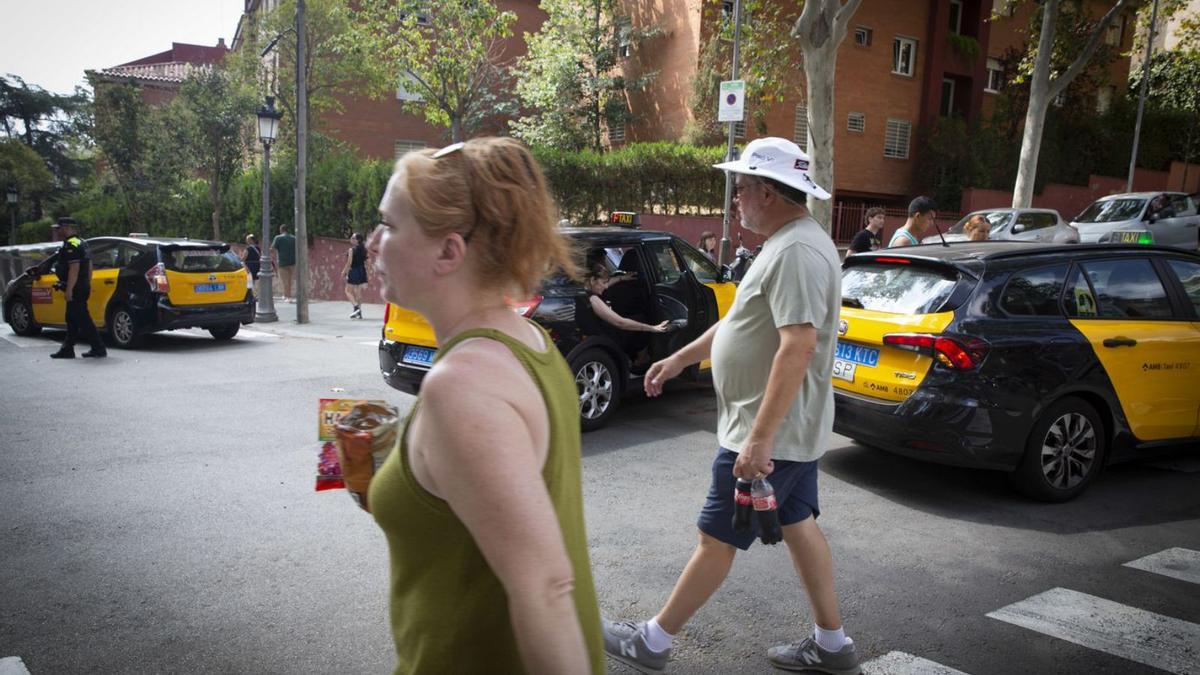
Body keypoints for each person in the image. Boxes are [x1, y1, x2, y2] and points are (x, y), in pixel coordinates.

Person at [600, 137, 858, 674]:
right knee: (799, 524)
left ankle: (653, 639)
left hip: (768, 433)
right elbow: (740, 322)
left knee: (716, 537)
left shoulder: (796, 252)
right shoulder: (788, 244)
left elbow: (798, 344)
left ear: (766, 191)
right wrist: (680, 360)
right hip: (785, 430)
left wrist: (759, 439)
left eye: (740, 190)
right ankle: (832, 646)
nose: (735, 201)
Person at [365, 137, 604, 674]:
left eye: (390, 224)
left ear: (449, 252)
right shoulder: (528, 341)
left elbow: (545, 587)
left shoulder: (462, 385)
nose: (374, 241)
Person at [583, 264, 669, 364]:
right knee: (641, 321)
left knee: (638, 319)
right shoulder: (592, 299)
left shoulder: (583, 290)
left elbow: (609, 282)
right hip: (607, 337)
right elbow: (620, 323)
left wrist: (622, 278)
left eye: (607, 282)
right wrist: (652, 328)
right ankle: (640, 361)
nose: (606, 286)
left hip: (598, 335)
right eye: (603, 283)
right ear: (593, 280)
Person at [50, 217, 106, 359]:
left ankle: (98, 348)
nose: (58, 230)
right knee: (71, 318)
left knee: (83, 318)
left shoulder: (70, 245)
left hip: (75, 287)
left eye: (60, 227)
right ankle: (68, 349)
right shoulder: (83, 242)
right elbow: (89, 265)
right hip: (82, 285)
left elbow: (74, 268)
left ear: (67, 227)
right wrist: (87, 282)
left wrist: (69, 290)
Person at [342, 232, 368, 319]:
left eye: (353, 238)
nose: (351, 239)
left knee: (348, 291)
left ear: (358, 240)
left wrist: (344, 271)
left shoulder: (351, 250)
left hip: (354, 271)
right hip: (362, 271)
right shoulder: (364, 249)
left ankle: (356, 307)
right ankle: (359, 313)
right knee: (358, 292)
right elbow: (366, 261)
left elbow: (349, 262)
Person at [271, 224, 296, 302]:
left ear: (281, 230)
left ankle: (287, 296)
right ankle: (288, 295)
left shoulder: (278, 238)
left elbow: (272, 249)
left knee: (285, 280)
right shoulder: (294, 238)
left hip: (282, 262)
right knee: (290, 280)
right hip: (293, 261)